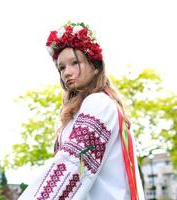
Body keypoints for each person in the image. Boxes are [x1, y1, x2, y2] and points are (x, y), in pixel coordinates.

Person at [19, 21, 145, 200]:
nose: (67, 73)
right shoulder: (82, 109)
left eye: (74, 63)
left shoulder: (99, 103)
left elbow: (71, 167)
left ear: (95, 67)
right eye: (61, 67)